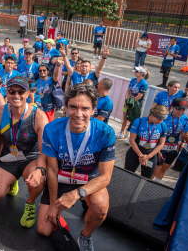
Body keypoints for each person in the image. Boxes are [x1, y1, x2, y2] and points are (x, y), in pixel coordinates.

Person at [38, 83, 116, 251]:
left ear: (94, 109)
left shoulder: (106, 132)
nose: (78, 114)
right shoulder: (52, 129)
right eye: (73, 107)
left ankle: (85, 236)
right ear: (66, 107)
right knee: (44, 230)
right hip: (61, 178)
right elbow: (51, 169)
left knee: (101, 207)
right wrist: (53, 204)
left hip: (89, 180)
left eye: (85, 108)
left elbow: (105, 177)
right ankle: (59, 217)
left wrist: (76, 194)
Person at [0, 76, 48, 229]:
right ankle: (12, 181)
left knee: (38, 179)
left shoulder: (39, 116)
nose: (16, 96)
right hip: (8, 157)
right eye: (12, 91)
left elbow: (44, 152)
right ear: (7, 92)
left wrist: (40, 170)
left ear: (27, 94)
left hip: (30, 159)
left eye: (21, 92)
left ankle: (30, 203)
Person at [125, 105, 169, 178]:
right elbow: (132, 140)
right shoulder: (138, 121)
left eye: (162, 120)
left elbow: (161, 144)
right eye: (158, 119)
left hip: (150, 155)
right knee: (127, 176)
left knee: (146, 179)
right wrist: (141, 155)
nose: (160, 121)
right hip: (135, 153)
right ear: (152, 114)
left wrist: (148, 156)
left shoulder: (163, 125)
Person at [152, 98, 188, 182]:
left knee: (163, 169)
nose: (181, 112)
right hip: (160, 147)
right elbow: (156, 132)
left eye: (183, 109)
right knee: (155, 170)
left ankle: (156, 186)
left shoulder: (185, 118)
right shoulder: (165, 116)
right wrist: (157, 150)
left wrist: (183, 142)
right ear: (172, 107)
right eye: (178, 109)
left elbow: (184, 132)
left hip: (173, 148)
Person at [116, 66, 150, 139]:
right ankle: (122, 133)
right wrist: (126, 101)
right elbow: (128, 91)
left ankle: (129, 136)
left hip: (135, 104)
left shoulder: (144, 83)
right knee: (125, 118)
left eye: (136, 71)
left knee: (133, 120)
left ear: (141, 73)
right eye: (135, 70)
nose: (134, 72)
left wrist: (129, 103)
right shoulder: (133, 80)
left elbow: (139, 96)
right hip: (128, 102)